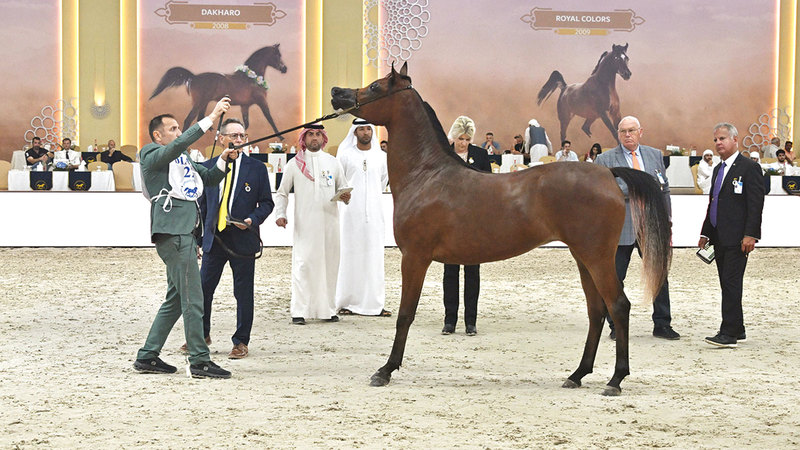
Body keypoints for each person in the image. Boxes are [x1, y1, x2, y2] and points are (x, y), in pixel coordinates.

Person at [133, 97, 235, 379]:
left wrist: (224, 159)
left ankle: (148, 355)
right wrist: (211, 116)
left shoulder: (183, 158)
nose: (179, 133)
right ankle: (200, 360)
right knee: (193, 297)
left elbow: (209, 177)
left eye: (180, 128)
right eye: (174, 128)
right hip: (174, 232)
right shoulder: (151, 153)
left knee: (177, 299)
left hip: (184, 232)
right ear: (158, 135)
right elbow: (179, 145)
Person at [595, 115, 680, 340]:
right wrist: (641, 187)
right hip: (619, 227)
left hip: (651, 225)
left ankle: (662, 324)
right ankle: (616, 325)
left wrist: (667, 218)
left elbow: (664, 188)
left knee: (659, 275)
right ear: (618, 134)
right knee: (615, 277)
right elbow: (604, 192)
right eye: (623, 131)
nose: (628, 135)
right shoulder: (605, 160)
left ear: (641, 131)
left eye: (632, 130)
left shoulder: (654, 155)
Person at [195, 118, 273, 359]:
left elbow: (267, 203)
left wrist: (252, 219)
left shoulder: (257, 169)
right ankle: (201, 335)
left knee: (243, 292)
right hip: (214, 240)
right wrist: (199, 239)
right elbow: (202, 205)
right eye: (233, 136)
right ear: (220, 139)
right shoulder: (208, 167)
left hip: (243, 239)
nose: (238, 140)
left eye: (242, 136)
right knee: (203, 289)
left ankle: (241, 341)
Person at [274, 124, 351, 325]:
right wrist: (280, 214)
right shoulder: (295, 164)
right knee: (303, 265)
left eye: (318, 134)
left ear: (323, 138)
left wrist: (345, 195)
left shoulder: (333, 163)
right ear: (304, 138)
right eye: (310, 135)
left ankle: (327, 309)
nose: (314, 138)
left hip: (330, 224)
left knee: (329, 265)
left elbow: (342, 187)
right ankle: (299, 311)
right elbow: (282, 192)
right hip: (305, 224)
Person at [700, 123, 765, 348]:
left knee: (730, 282)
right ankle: (738, 327)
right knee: (727, 283)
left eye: (723, 138)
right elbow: (713, 203)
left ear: (735, 140)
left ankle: (728, 333)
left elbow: (755, 204)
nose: (718, 143)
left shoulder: (748, 167)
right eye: (716, 139)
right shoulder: (718, 169)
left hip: (738, 238)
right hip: (719, 236)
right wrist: (706, 232)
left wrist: (751, 234)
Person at [335, 119, 391, 317]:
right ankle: (347, 302)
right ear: (355, 132)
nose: (366, 132)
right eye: (361, 129)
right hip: (350, 214)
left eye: (368, 129)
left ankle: (374, 304)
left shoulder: (382, 157)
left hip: (375, 214)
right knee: (350, 256)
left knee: (374, 257)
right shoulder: (345, 155)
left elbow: (383, 181)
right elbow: (339, 181)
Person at [442, 116, 491, 336]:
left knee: (473, 272)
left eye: (467, 139)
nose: (463, 143)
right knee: (450, 271)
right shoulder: (444, 154)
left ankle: (471, 321)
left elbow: (489, 183)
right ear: (453, 136)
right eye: (460, 138)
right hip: (449, 221)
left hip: (474, 221)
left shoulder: (480, 155)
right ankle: (449, 320)